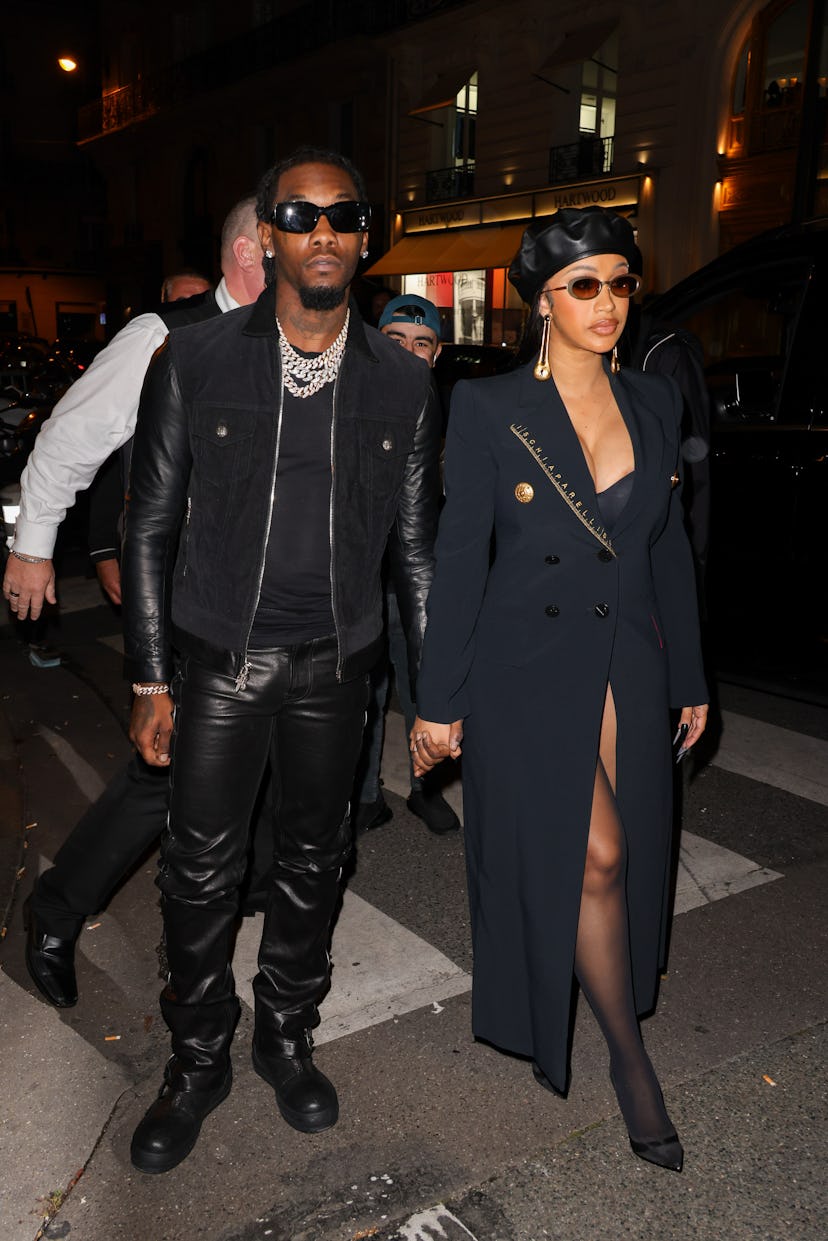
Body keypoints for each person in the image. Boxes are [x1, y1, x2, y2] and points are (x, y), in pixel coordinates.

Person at [121, 147, 440, 1174]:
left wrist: (431, 692)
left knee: (315, 862)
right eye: (299, 216)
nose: (322, 233)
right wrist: (150, 674)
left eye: (342, 216)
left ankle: (285, 1034)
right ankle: (196, 1058)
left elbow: (416, 549)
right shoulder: (198, 360)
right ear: (265, 235)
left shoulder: (402, 380)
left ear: (364, 234)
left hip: (334, 667)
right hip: (217, 662)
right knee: (200, 872)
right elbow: (148, 525)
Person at [411, 207, 708, 1173]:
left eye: (622, 283)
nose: (609, 303)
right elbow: (458, 562)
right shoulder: (490, 408)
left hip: (629, 657)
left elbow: (669, 553)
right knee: (596, 852)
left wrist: (692, 675)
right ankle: (631, 1063)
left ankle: (610, 1009)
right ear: (542, 299)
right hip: (523, 669)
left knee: (617, 863)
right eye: (586, 285)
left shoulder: (658, 403)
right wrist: (435, 696)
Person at [10, 199, 265, 1011]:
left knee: (259, 759)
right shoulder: (167, 334)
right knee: (168, 767)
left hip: (274, 595)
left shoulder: (309, 338)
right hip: (190, 593)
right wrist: (34, 545)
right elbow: (70, 437)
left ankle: (225, 889)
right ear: (251, 250)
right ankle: (56, 910)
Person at [352, 293, 460, 836]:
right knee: (365, 694)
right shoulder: (353, 399)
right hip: (364, 585)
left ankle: (425, 786)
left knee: (426, 685)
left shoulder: (452, 415)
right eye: (398, 341)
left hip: (423, 582)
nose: (411, 353)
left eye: (423, 344)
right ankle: (365, 796)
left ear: (436, 354)